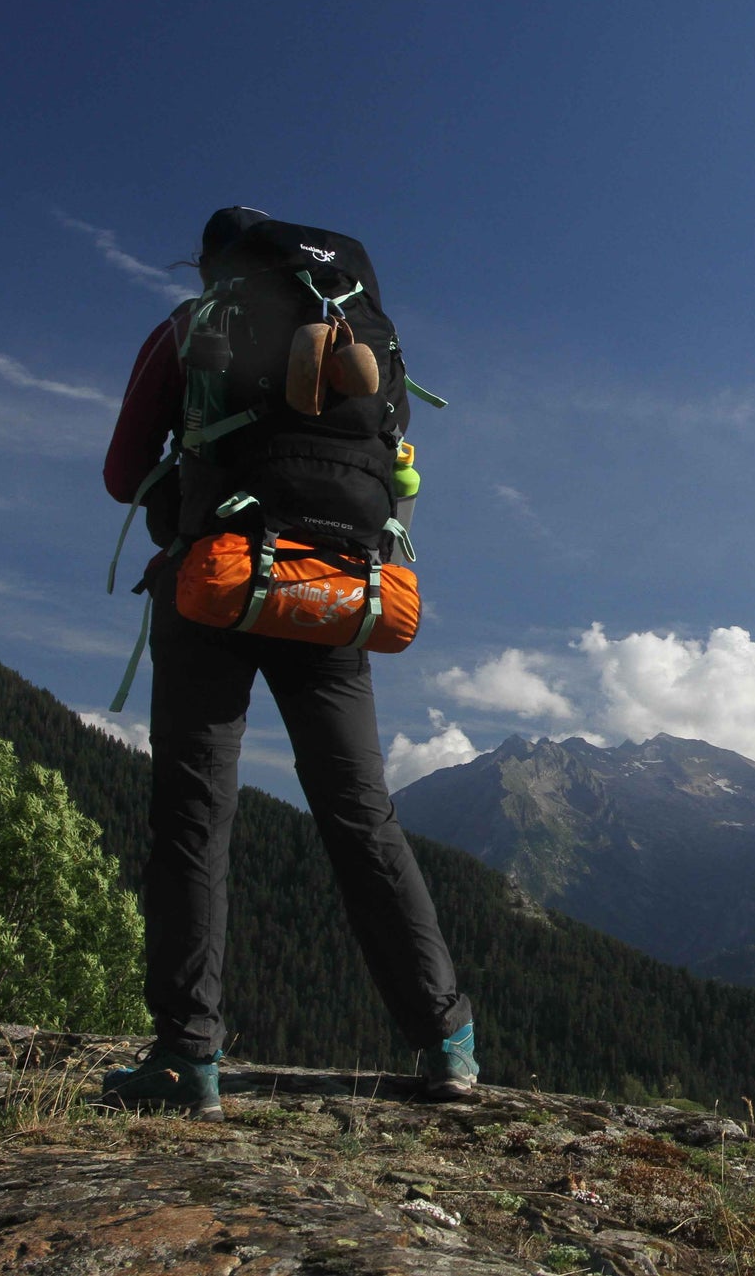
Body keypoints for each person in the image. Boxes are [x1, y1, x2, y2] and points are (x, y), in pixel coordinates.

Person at [98, 207, 475, 1120]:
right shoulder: (366, 332)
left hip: (217, 583)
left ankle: (189, 1056)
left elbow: (120, 472)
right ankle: (447, 1044)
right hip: (337, 595)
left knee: (196, 810)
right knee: (361, 814)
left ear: (213, 265)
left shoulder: (189, 327)